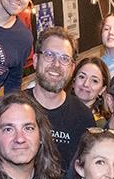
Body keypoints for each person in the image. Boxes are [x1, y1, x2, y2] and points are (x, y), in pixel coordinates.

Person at [26, 26, 96, 169]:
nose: (56, 64)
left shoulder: (83, 117)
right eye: (49, 55)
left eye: (64, 58)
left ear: (72, 68)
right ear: (36, 60)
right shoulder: (11, 108)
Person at [70, 56, 111, 125]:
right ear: (73, 81)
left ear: (102, 89)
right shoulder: (57, 110)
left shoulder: (100, 125)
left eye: (94, 81)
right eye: (82, 77)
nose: (86, 84)